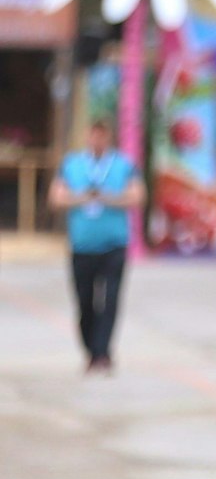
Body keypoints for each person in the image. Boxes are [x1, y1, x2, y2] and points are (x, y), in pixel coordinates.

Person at [48, 119, 142, 374]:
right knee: (85, 301)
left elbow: (136, 196)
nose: (97, 141)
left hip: (113, 244)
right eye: (93, 136)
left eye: (102, 136)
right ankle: (91, 349)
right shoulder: (73, 164)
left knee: (110, 300)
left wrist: (107, 198)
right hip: (83, 244)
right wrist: (82, 197)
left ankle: (103, 352)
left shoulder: (123, 165)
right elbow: (56, 197)